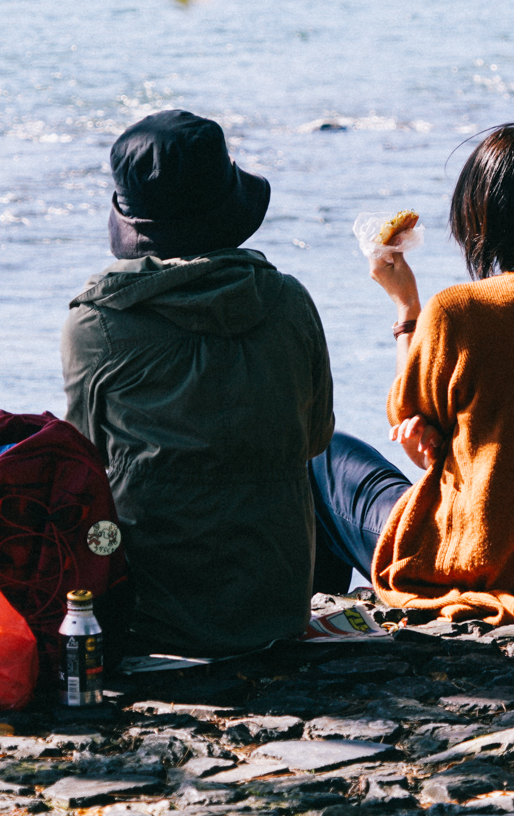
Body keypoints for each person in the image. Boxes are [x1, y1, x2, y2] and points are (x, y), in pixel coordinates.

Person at [313, 123, 514, 622]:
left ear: (477, 217)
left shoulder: (459, 310)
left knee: (323, 453)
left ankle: (310, 622)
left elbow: (407, 413)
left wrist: (405, 307)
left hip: (480, 550)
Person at [62, 110, 335, 658]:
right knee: (336, 460)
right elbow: (315, 438)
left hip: (150, 615)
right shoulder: (287, 300)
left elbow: (84, 468)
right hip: (276, 604)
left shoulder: (96, 323)